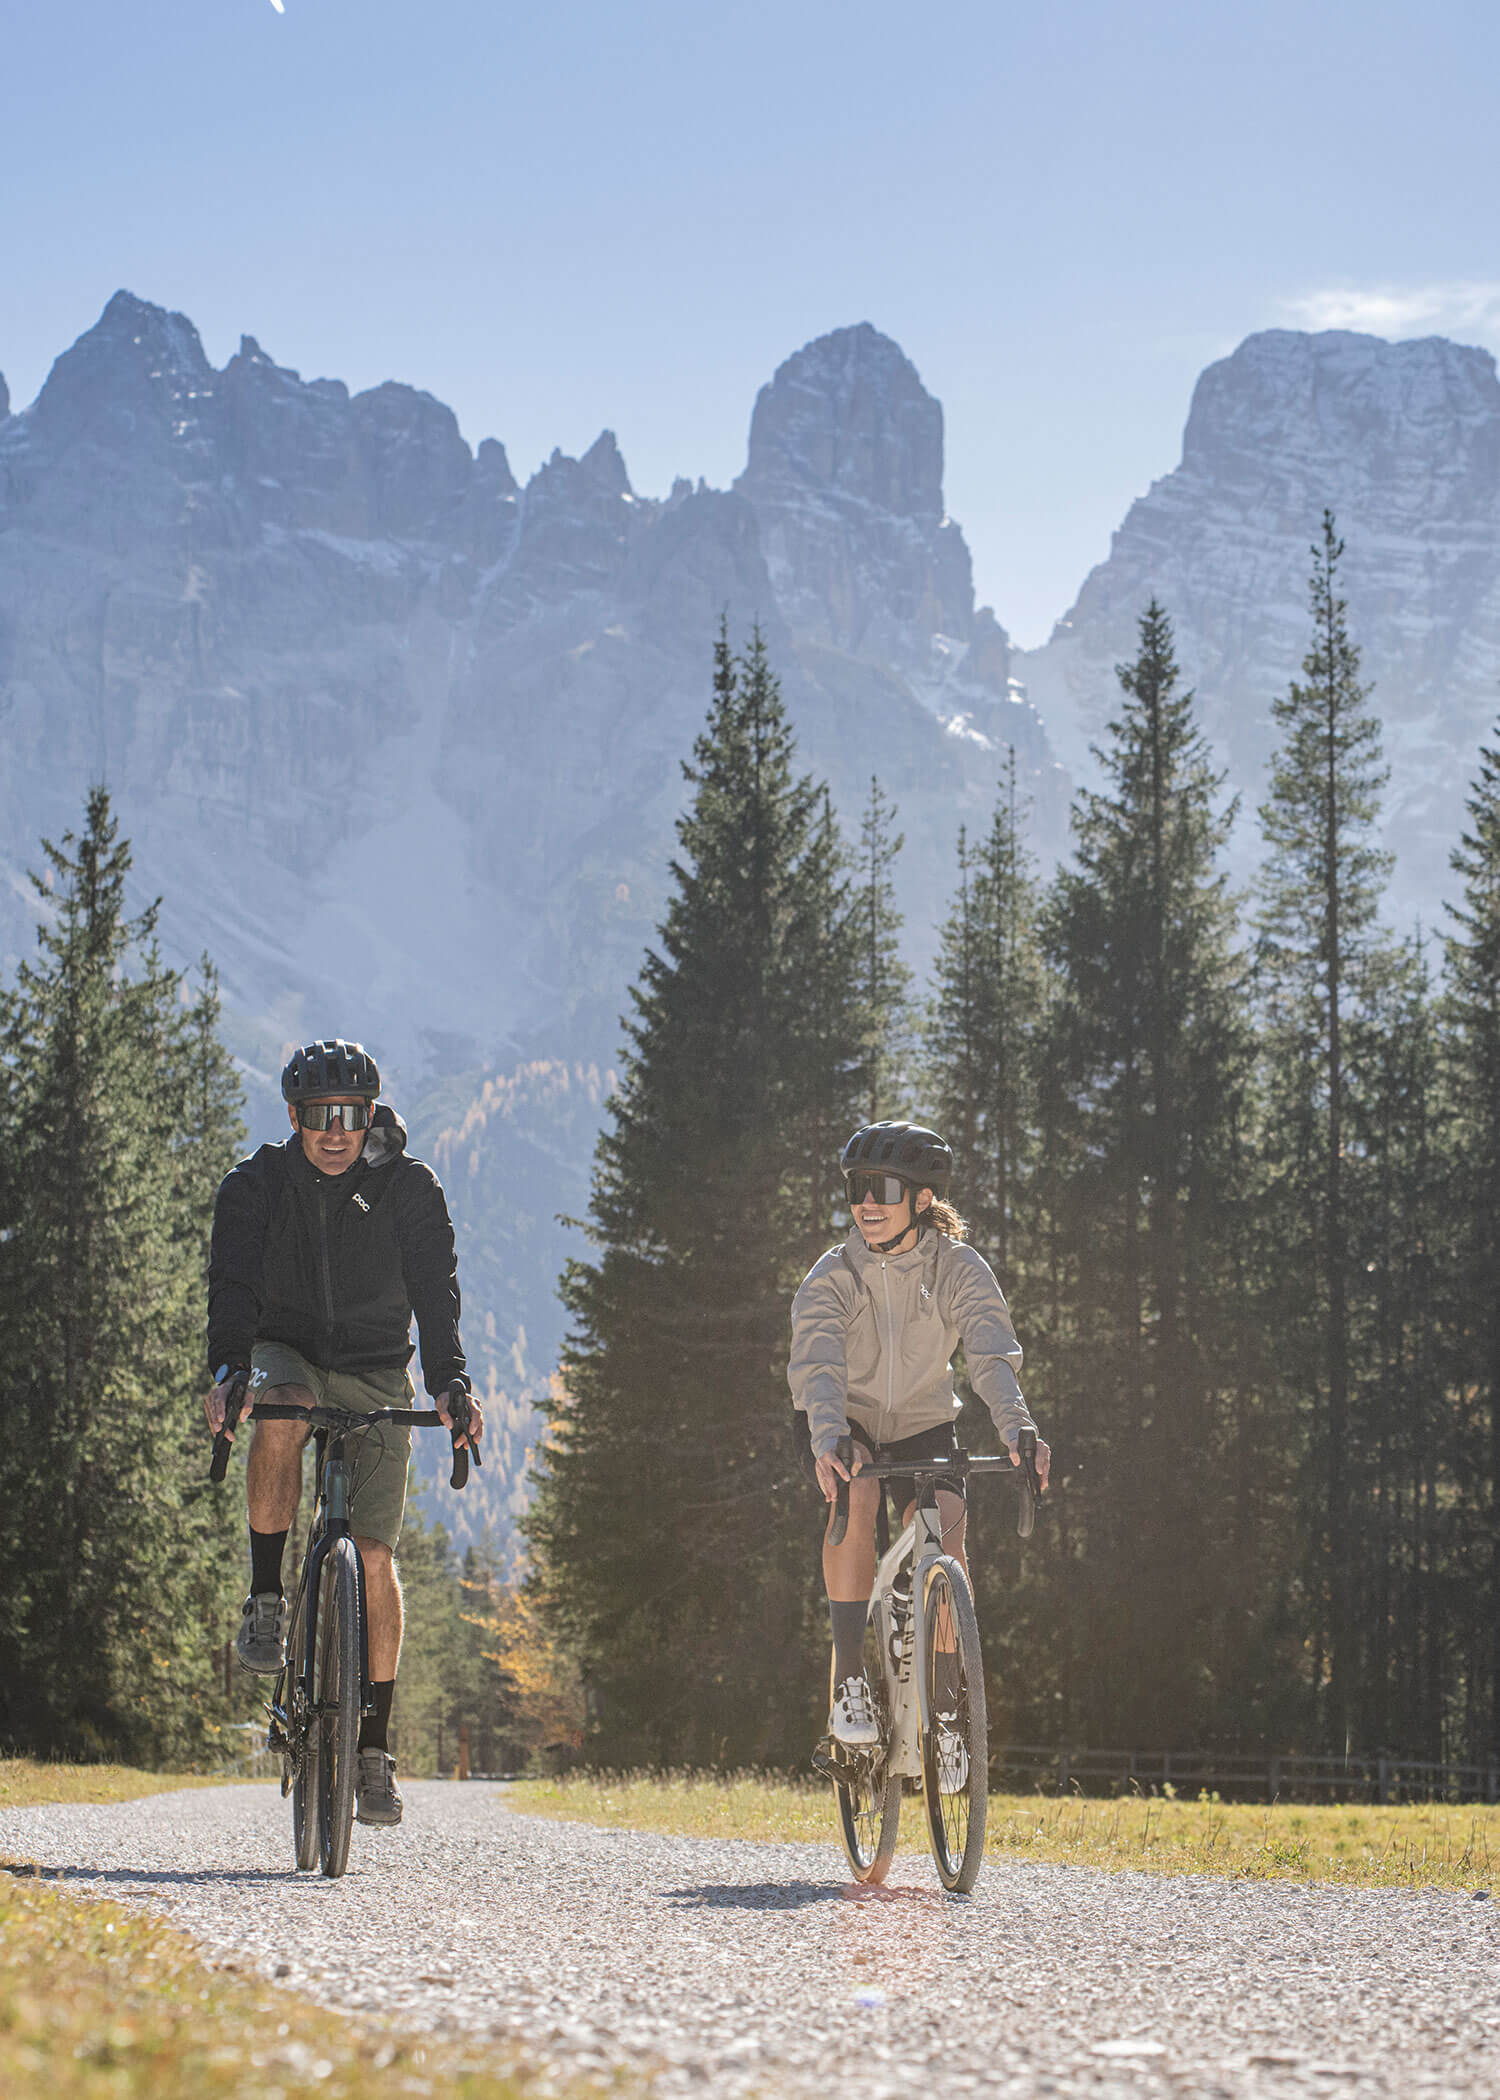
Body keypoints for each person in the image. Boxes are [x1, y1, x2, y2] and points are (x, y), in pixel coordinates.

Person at [203, 1036, 482, 1828]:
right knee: (282, 1406)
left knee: (379, 1555)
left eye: (350, 1116)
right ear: (293, 1117)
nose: (335, 1131)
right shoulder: (255, 1186)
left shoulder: (409, 1189)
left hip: (375, 1366)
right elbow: (232, 1284)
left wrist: (450, 1384)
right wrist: (229, 1372)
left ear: (370, 1117)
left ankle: (373, 1749)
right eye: (319, 1116)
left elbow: (436, 1291)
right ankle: (265, 1596)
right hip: (282, 1347)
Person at [788, 1120, 1050, 1751]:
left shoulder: (959, 1269)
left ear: (923, 1198)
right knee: (856, 1495)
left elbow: (990, 1354)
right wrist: (829, 1438)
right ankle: (850, 1676)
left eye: (880, 1188)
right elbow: (818, 1367)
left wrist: (1017, 1427)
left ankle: (947, 1705)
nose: (865, 1203)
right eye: (856, 1189)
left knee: (947, 1527)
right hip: (840, 1420)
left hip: (925, 1421)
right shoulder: (832, 1276)